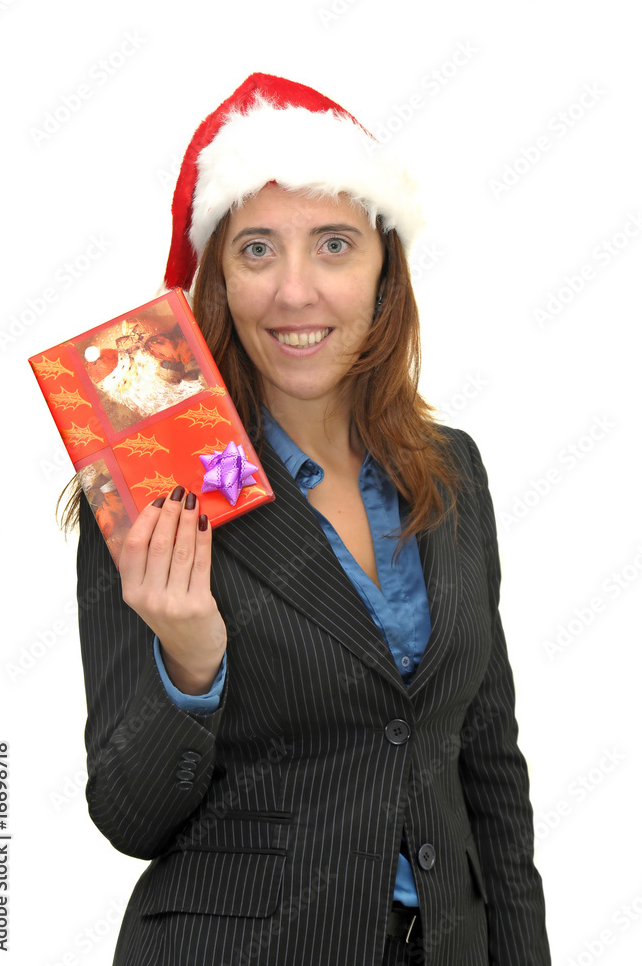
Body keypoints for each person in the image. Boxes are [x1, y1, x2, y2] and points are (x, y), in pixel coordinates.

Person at [68, 74, 551, 965]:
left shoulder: (453, 472)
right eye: (257, 250)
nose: (296, 293)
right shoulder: (151, 485)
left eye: (334, 245)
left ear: (384, 270)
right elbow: (130, 817)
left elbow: (488, 772)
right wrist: (190, 661)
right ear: (217, 279)